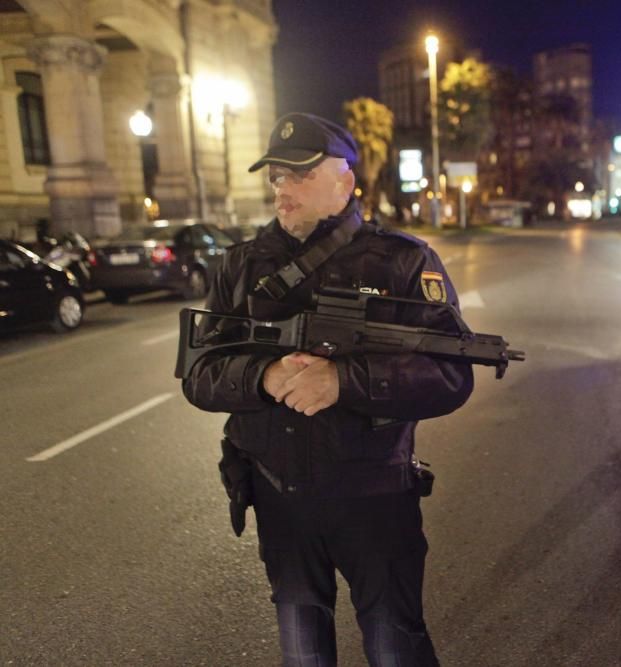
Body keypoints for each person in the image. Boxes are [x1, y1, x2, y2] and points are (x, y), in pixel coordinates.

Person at [181, 112, 473, 666]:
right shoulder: (238, 267)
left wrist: (344, 382)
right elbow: (198, 375)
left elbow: (451, 375)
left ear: (345, 180)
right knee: (302, 647)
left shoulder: (404, 262)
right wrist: (263, 378)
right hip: (278, 495)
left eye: (297, 174)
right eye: (275, 176)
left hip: (375, 497)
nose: (281, 189)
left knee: (395, 643)